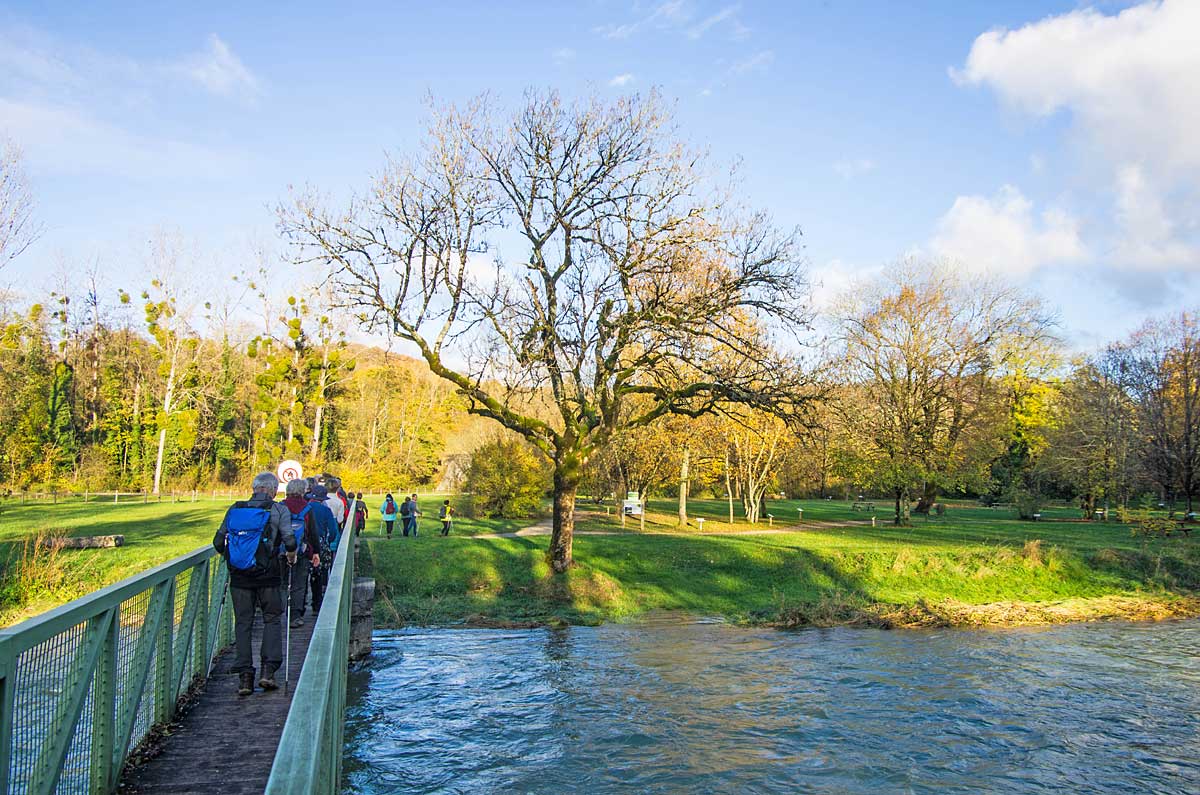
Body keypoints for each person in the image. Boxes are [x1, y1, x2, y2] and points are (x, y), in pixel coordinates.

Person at [212, 472, 296, 696]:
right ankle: (268, 671)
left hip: (239, 577)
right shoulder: (279, 510)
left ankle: (245, 678)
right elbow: (289, 540)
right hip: (268, 574)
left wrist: (235, 557)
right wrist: (291, 556)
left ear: (254, 488)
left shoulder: (235, 508)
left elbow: (218, 542)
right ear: (274, 490)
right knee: (272, 618)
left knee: (243, 622)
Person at [281, 479, 322, 630]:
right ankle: (295, 616)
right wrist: (316, 552)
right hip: (302, 550)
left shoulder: (280, 506)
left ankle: (279, 612)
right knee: (299, 584)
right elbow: (313, 532)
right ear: (303, 491)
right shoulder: (307, 508)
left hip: (282, 550)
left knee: (282, 582)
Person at [305, 483, 339, 615]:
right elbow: (333, 530)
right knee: (318, 573)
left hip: (305, 544)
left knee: (303, 575)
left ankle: (300, 605)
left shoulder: (305, 508)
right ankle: (316, 604)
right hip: (320, 544)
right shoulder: (326, 511)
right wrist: (328, 542)